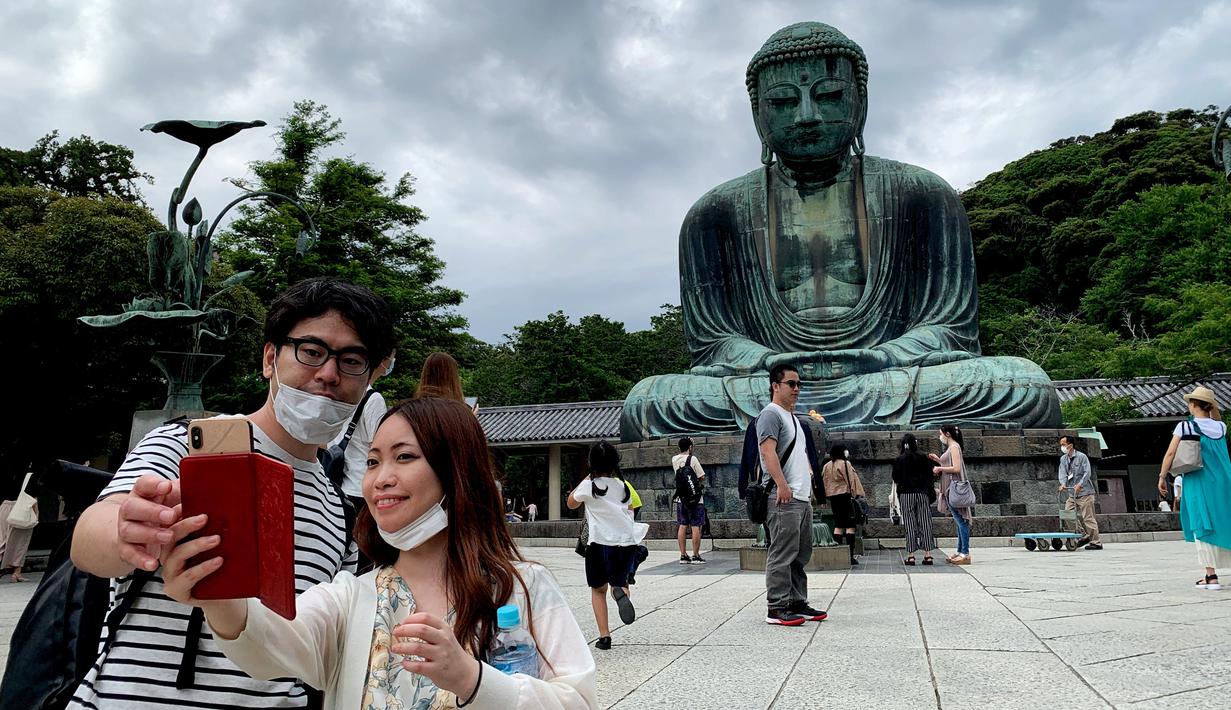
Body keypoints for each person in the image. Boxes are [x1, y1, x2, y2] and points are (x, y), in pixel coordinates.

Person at [619, 21, 1060, 442]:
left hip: (887, 377)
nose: (807, 116)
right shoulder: (714, 214)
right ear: (758, 114)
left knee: (1021, 385)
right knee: (649, 401)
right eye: (784, 102)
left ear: (860, 101)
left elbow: (949, 328)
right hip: (764, 384)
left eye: (828, 95)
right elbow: (713, 343)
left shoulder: (922, 194)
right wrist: (767, 361)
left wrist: (885, 356)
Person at [68, 277, 394, 709]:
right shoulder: (186, 446)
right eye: (311, 352)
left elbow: (319, 644)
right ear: (270, 358)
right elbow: (89, 539)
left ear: (369, 377)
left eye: (352, 361)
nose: (329, 374)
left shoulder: (339, 508)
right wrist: (127, 530)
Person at [163, 397, 596, 708]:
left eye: (403, 457)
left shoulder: (523, 585)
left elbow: (579, 701)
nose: (380, 479)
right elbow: (271, 644)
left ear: (457, 471)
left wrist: (471, 678)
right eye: (372, 462)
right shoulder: (350, 596)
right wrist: (218, 595)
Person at [757, 364, 828, 626]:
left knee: (800, 554)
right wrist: (782, 484)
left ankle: (797, 601)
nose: (797, 389)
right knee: (782, 552)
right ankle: (776, 607)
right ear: (776, 386)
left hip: (801, 497)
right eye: (791, 384)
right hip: (783, 497)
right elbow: (768, 452)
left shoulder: (794, 419)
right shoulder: (770, 415)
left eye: (799, 384)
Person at [566, 441, 647, 650]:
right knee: (619, 583)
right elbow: (629, 507)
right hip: (625, 543)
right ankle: (621, 593)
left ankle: (604, 636)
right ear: (614, 463)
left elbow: (571, 502)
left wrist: (586, 478)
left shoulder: (590, 486)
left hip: (599, 542)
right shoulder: (622, 486)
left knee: (598, 589)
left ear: (591, 463)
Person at [1157, 387, 1231, 591]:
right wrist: (1212, 404)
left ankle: (1211, 576)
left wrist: (1163, 476)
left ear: (1192, 405)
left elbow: (1171, 453)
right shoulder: (1221, 428)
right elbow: (1217, 418)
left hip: (1198, 480)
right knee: (1225, 519)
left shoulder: (1185, 426)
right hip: (1224, 479)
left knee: (1202, 522)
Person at [326, 352, 394, 517]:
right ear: (384, 360)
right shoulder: (373, 399)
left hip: (336, 482)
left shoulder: (340, 393)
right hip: (361, 487)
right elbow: (380, 448)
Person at [893, 434, 938, 565]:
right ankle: (928, 555)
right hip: (922, 493)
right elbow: (930, 477)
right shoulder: (924, 457)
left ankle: (911, 555)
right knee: (925, 522)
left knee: (909, 523)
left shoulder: (899, 459)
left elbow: (896, 477)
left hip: (906, 494)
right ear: (915, 443)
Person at [930, 424, 972, 565]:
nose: (940, 436)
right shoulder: (952, 447)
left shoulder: (954, 447)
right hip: (950, 488)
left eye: (940, 433)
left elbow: (956, 468)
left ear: (947, 434)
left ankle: (965, 553)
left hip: (954, 488)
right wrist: (939, 460)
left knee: (961, 521)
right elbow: (951, 463)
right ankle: (960, 550)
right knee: (959, 521)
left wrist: (940, 467)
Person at [820, 445, 865, 565]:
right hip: (845, 496)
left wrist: (823, 499)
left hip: (833, 498)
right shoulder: (845, 464)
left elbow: (824, 482)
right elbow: (851, 480)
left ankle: (838, 553)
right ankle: (849, 556)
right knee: (850, 526)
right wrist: (855, 494)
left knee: (838, 525)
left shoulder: (827, 465)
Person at [1058, 434, 1102, 550]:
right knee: (1067, 513)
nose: (1062, 447)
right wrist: (1063, 484)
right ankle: (1083, 535)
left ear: (1070, 445)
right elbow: (1062, 473)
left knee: (1088, 517)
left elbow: (1087, 472)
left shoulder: (1082, 457)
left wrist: (1080, 484)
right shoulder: (1063, 459)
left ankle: (1096, 542)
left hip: (1085, 493)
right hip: (1072, 493)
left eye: (1063, 444)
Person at [672, 437, 708, 564]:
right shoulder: (692, 459)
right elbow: (701, 476)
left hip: (680, 498)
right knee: (696, 525)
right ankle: (696, 555)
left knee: (682, 524)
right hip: (695, 499)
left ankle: (683, 555)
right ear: (690, 447)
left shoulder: (674, 459)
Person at [0, 467, 39, 582]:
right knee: (21, 542)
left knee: (1, 540)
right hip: (21, 510)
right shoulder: (29, 476)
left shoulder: (4, 472)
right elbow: (33, 496)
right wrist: (36, 513)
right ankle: (16, 573)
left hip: (4, 508)